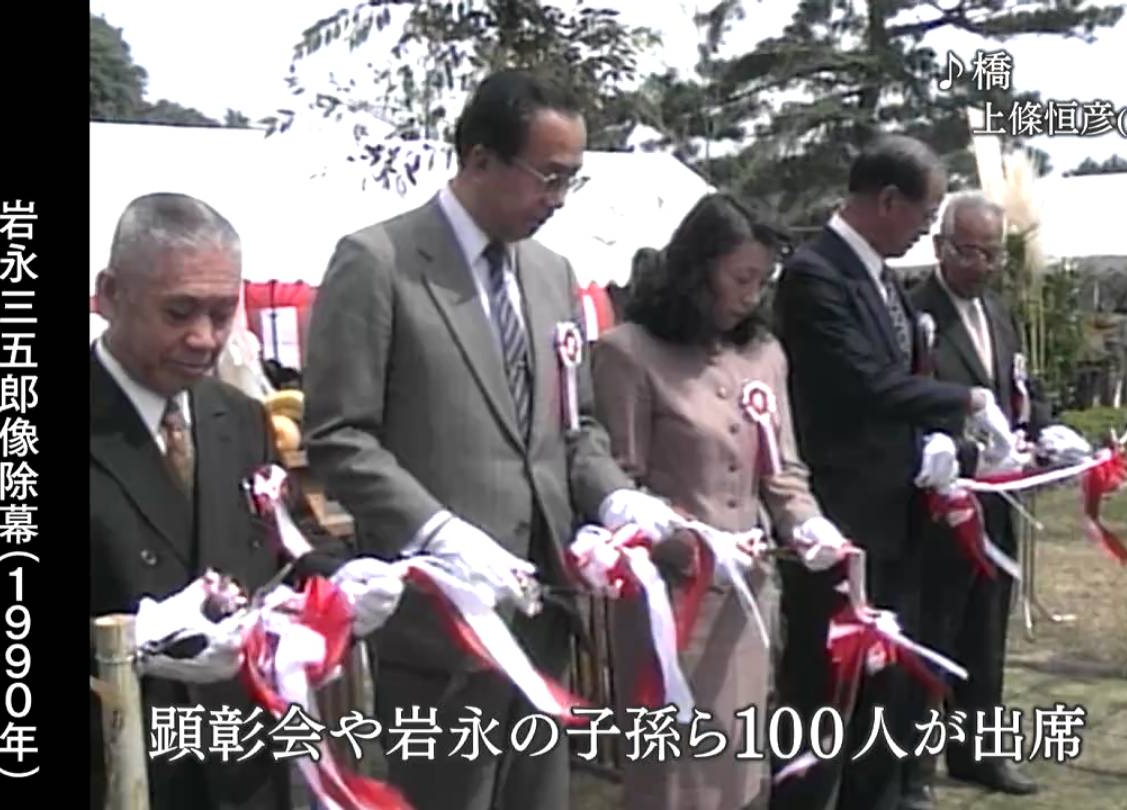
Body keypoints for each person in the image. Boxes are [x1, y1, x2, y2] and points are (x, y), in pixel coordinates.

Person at [300, 70, 682, 810]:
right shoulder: (379, 262)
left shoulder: (551, 273)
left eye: (572, 179)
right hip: (443, 622)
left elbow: (574, 425)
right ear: (479, 159)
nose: (559, 199)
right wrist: (436, 530)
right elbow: (340, 436)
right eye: (548, 176)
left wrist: (616, 498)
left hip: (545, 608)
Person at [771, 136, 1019, 810]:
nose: (924, 229)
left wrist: (943, 444)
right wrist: (963, 401)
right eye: (925, 213)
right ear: (887, 201)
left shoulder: (882, 278)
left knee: (887, 687)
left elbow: (906, 372)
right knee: (824, 690)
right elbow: (860, 382)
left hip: (899, 515)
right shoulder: (817, 275)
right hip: (843, 515)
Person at [89, 193, 355, 810]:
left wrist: (343, 582)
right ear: (110, 294)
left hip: (243, 764)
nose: (204, 338)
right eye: (179, 312)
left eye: (222, 312)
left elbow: (285, 544)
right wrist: (128, 644)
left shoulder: (239, 418)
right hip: (119, 766)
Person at [591, 194, 852, 810]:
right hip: (670, 604)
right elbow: (618, 485)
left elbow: (782, 470)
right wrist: (690, 542)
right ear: (697, 269)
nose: (753, 295)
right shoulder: (627, 353)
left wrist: (806, 523)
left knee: (741, 765)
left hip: (748, 601)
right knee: (675, 776)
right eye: (741, 278)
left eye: (763, 281)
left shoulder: (765, 354)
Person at [903, 192, 1047, 806]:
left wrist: (1045, 428)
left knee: (987, 632)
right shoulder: (915, 313)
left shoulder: (999, 311)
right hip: (943, 501)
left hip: (1000, 500)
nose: (983, 265)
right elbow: (906, 398)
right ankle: (913, 768)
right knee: (933, 633)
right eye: (970, 252)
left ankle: (979, 752)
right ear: (940, 247)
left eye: (993, 254)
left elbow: (1018, 387)